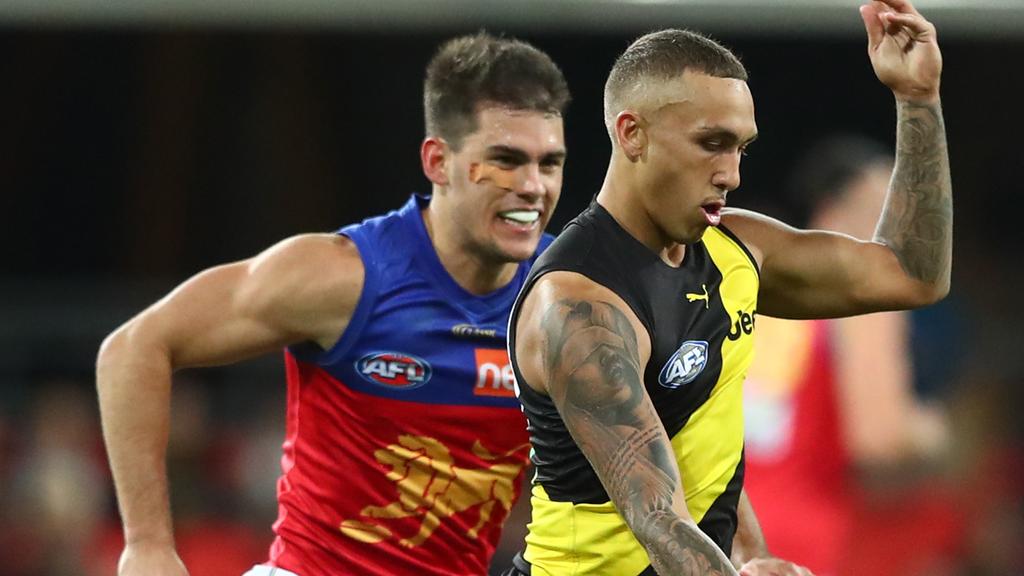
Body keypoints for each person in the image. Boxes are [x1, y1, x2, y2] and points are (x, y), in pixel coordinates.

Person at [96, 32, 570, 576]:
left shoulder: (564, 296)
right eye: (506, 160)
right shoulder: (345, 276)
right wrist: (148, 545)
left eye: (549, 163)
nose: (533, 186)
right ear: (438, 161)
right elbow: (133, 349)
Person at [506, 1, 952, 575]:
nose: (732, 173)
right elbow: (658, 519)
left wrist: (918, 101)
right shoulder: (578, 307)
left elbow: (911, 275)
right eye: (711, 143)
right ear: (632, 133)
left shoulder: (735, 251)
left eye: (741, 147)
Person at [742, 135, 953, 576]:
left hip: (717, 537)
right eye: (882, 212)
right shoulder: (862, 303)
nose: (898, 233)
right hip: (802, 547)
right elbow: (879, 438)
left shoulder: (746, 294)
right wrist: (933, 432)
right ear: (831, 213)